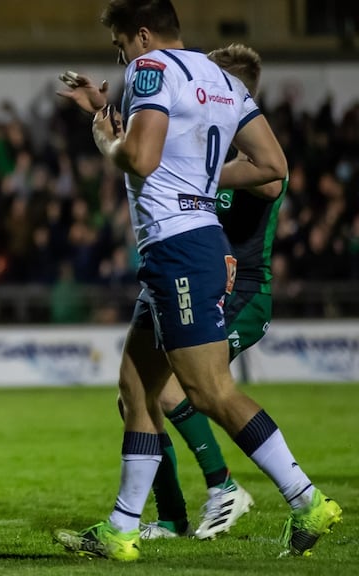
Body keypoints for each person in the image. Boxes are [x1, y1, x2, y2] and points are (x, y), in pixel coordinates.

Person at [52, 0, 341, 561]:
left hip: (177, 247)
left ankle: (307, 500)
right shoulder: (221, 79)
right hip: (189, 243)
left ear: (141, 35)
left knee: (209, 391)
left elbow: (138, 157)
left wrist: (102, 139)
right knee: (135, 389)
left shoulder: (150, 68)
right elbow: (272, 167)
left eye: (119, 45)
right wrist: (198, 176)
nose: (120, 57)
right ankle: (121, 529)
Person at [128, 43, 288, 541]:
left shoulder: (249, 165)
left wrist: (209, 165)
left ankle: (224, 487)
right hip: (198, 281)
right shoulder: (201, 150)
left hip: (246, 297)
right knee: (136, 395)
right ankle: (172, 516)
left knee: (181, 390)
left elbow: (271, 181)